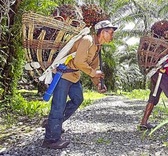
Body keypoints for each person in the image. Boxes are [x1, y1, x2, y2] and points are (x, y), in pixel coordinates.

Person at [41, 20, 117, 149]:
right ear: (102, 32)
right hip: (63, 74)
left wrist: (97, 84)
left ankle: (53, 125)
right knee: (58, 106)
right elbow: (79, 61)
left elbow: (94, 67)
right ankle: (51, 139)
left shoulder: (98, 47)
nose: (112, 36)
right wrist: (94, 72)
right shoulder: (87, 40)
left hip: (74, 76)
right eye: (110, 33)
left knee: (77, 99)